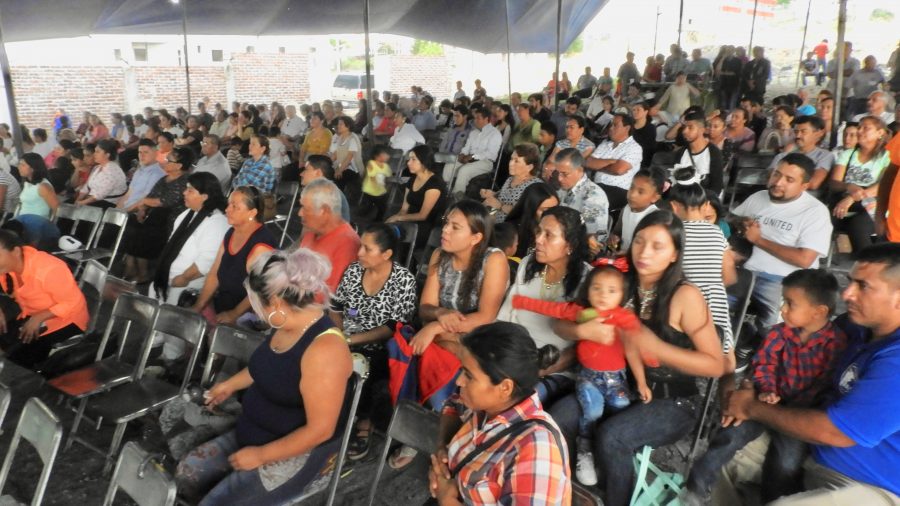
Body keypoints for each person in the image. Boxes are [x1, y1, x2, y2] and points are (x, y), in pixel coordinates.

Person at [553, 210, 726, 506]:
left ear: (674, 255)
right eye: (639, 241)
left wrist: (656, 347)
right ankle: (566, 493)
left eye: (658, 246)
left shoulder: (685, 296)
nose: (644, 253)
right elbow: (560, 323)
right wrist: (582, 330)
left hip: (673, 401)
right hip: (616, 385)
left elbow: (715, 365)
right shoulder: (618, 282)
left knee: (613, 437)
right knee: (559, 418)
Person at [716, 243, 900, 505]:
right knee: (723, 459)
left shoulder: (895, 359)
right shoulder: (853, 326)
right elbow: (784, 357)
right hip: (811, 447)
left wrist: (751, 407)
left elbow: (836, 432)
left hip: (869, 483)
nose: (847, 293)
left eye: (863, 286)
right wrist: (756, 384)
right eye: (850, 282)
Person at [176, 247, 353, 505]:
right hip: (253, 433)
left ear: (277, 303)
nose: (256, 311)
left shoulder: (325, 350)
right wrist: (229, 385)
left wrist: (261, 455)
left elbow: (320, 430)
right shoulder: (285, 324)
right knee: (187, 474)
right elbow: (268, 366)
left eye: (257, 303)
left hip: (296, 455)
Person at [684, 269, 846, 505]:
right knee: (731, 432)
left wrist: (790, 407)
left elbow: (825, 383)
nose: (782, 309)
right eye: (783, 302)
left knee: (786, 462)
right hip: (764, 400)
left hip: (800, 414)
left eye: (790, 303)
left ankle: (771, 500)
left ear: (818, 312)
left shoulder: (836, 344)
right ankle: (696, 487)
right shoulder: (780, 332)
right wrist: (768, 390)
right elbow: (764, 364)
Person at [390, 201, 510, 469]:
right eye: (446, 224)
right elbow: (425, 307)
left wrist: (436, 326)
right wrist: (440, 314)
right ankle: (424, 430)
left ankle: (448, 443)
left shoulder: (493, 260)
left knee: (436, 360)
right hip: (443, 338)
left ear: (476, 237)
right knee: (416, 351)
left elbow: (485, 317)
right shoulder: (439, 256)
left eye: (455, 227)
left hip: (480, 339)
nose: (445, 230)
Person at [512, 263, 650, 487]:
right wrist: (521, 302)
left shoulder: (624, 318)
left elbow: (637, 348)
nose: (603, 295)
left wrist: (643, 381)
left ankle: (610, 454)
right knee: (592, 412)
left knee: (621, 408)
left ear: (622, 295)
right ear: (588, 290)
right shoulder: (582, 313)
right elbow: (552, 310)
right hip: (588, 379)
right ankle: (585, 450)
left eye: (611, 290)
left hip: (616, 380)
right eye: (597, 288)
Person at [428, 322, 571, 505]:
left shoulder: (537, 449)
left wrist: (447, 499)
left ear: (505, 388)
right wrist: (443, 450)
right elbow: (453, 406)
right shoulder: (483, 405)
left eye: (469, 376)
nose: (459, 381)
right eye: (462, 371)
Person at [331, 224, 417, 460]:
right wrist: (338, 334)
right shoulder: (353, 271)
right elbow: (335, 308)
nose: (359, 253)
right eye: (361, 246)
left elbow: (392, 328)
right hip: (345, 337)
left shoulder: (403, 281)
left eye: (367, 249)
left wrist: (350, 340)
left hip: (380, 345)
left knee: (371, 366)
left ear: (386, 254)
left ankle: (364, 421)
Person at [733, 153, 833, 332]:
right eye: (776, 174)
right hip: (744, 272)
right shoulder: (758, 197)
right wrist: (741, 223)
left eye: (789, 179)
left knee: (776, 328)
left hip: (784, 280)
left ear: (804, 186)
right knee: (708, 306)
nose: (778, 182)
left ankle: (759, 342)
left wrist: (758, 240)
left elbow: (804, 259)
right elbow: (733, 219)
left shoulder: (815, 212)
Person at [668, 168, 737, 353]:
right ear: (706, 205)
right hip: (717, 303)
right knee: (722, 351)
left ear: (674, 207)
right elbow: (729, 276)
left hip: (685, 305)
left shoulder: (675, 234)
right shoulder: (717, 233)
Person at [0, 230, 88, 369]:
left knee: (17, 361)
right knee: (5, 343)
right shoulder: (7, 267)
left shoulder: (48, 268)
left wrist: (39, 317)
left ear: (16, 251)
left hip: (65, 321)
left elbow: (73, 302)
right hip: (31, 313)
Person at [191, 185, 276, 327]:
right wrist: (198, 306)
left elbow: (260, 290)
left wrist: (234, 313)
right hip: (224, 303)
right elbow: (214, 273)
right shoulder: (232, 232)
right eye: (229, 204)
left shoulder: (261, 244)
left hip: (249, 315)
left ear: (252, 213)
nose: (227, 209)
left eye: (235, 207)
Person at [151, 172, 229, 312]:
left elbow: (207, 260)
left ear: (204, 196)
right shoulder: (187, 214)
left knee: (168, 319)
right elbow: (171, 244)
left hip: (187, 284)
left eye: (190, 190)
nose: (184, 193)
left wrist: (183, 278)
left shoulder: (216, 222)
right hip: (167, 277)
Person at [121, 146, 192, 284]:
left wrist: (143, 202)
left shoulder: (185, 181)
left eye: (168, 160)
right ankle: (131, 267)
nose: (164, 162)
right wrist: (142, 209)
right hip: (154, 216)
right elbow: (151, 196)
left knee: (143, 235)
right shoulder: (164, 178)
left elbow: (164, 201)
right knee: (131, 226)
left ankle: (143, 274)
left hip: (170, 220)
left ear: (179, 166)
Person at [830, 115, 890, 253]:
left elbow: (882, 185)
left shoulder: (886, 156)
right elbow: (834, 183)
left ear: (880, 133)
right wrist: (848, 186)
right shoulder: (848, 154)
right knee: (823, 220)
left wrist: (851, 197)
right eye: (859, 127)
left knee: (858, 226)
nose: (859, 131)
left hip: (873, 204)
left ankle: (868, 262)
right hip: (844, 202)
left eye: (866, 128)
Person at [297, 179, 360, 292]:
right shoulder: (312, 230)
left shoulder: (347, 244)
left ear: (324, 211)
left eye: (305, 208)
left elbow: (328, 295)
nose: (300, 213)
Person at [385, 145, 448, 246]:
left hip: (426, 226)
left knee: (391, 237)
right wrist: (395, 220)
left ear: (424, 161)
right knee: (387, 231)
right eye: (409, 159)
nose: (409, 163)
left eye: (413, 159)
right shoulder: (413, 179)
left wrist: (398, 218)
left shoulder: (434, 184)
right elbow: (404, 209)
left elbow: (423, 216)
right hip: (409, 219)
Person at [555, 148, 610, 253]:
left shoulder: (593, 196)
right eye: (558, 173)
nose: (559, 178)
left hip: (578, 250)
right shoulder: (563, 189)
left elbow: (594, 237)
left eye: (564, 174)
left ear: (580, 170)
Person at [586, 113, 643, 211]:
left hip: (618, 190)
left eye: (615, 125)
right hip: (596, 186)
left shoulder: (634, 148)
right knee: (577, 198)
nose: (611, 128)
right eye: (611, 125)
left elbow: (619, 170)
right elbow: (588, 162)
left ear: (627, 128)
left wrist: (598, 165)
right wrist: (611, 162)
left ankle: (586, 219)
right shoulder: (605, 144)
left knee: (593, 206)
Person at [442, 106, 502, 195]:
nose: (475, 120)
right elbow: (467, 147)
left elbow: (490, 154)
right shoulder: (473, 133)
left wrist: (473, 156)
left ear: (486, 119)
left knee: (464, 170)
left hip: (485, 162)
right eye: (475, 118)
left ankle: (457, 196)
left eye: (478, 118)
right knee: (449, 165)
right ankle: (446, 190)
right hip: (469, 159)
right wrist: (462, 154)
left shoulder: (495, 133)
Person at [768, 115, 835, 193]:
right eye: (796, 132)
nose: (798, 136)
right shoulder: (782, 156)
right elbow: (771, 180)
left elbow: (814, 183)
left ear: (818, 133)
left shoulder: (824, 156)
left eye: (803, 132)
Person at [608, 167, 665, 253]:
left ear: (654, 197)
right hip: (622, 257)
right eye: (631, 187)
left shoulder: (655, 218)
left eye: (640, 192)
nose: (632, 194)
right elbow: (617, 232)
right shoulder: (626, 209)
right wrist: (614, 238)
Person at [480, 143, 541, 222]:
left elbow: (527, 215)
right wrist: (493, 194)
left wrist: (500, 206)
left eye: (516, 161)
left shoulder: (535, 186)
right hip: (495, 222)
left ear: (529, 167)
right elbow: (503, 197)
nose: (510, 164)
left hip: (509, 227)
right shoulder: (510, 179)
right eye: (511, 159)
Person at [673, 112, 725, 195]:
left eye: (690, 127)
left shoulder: (714, 153)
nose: (684, 131)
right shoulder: (681, 153)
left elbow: (716, 186)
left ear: (702, 130)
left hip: (706, 198)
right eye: (684, 127)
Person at [14, 153, 59, 248]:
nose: (19, 167)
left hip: (37, 224)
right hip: (23, 221)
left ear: (33, 168)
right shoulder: (27, 184)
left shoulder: (43, 186)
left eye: (23, 165)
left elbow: (56, 208)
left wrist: (49, 226)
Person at [505, 182, 558, 259]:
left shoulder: (559, 229)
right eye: (545, 210)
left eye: (556, 208)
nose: (552, 214)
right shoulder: (512, 231)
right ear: (531, 209)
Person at [75, 138, 126, 208]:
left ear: (107, 155)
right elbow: (87, 186)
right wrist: (78, 199)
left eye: (97, 152)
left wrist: (81, 203)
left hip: (106, 204)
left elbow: (99, 195)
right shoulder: (97, 167)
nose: (94, 154)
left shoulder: (112, 171)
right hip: (93, 199)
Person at [360, 144, 392, 221]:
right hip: (370, 190)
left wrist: (385, 187)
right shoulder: (371, 163)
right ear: (377, 156)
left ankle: (376, 218)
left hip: (379, 191)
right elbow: (372, 177)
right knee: (377, 205)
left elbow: (387, 177)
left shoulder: (386, 166)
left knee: (381, 206)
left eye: (388, 154)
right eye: (385, 154)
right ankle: (369, 216)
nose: (388, 156)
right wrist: (378, 186)